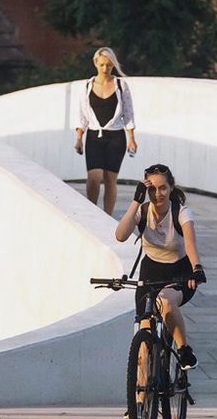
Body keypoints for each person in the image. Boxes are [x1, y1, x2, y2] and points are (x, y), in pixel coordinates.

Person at [113, 162, 205, 368]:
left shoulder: (181, 212)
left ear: (171, 187)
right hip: (151, 270)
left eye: (163, 187)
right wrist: (136, 201)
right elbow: (120, 235)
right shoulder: (143, 211)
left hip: (181, 271)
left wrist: (197, 268)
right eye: (151, 189)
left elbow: (190, 242)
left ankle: (183, 350)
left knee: (165, 302)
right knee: (143, 344)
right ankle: (140, 397)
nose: (158, 193)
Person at [74, 47, 136, 211]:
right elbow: (82, 116)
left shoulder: (120, 85)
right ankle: (92, 211)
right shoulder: (87, 86)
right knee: (94, 177)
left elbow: (128, 114)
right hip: (94, 136)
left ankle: (107, 216)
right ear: (95, 63)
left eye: (109, 65)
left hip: (116, 138)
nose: (105, 69)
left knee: (110, 179)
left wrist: (131, 139)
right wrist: (79, 138)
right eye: (102, 65)